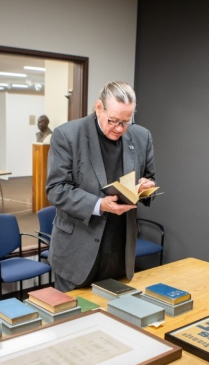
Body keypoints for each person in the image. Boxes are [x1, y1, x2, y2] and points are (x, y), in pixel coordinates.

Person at [46, 81, 156, 292]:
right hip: (77, 251)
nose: (119, 129)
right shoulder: (68, 135)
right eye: (113, 121)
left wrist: (146, 186)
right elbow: (56, 188)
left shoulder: (142, 137)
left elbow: (149, 176)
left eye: (126, 122)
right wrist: (99, 205)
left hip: (120, 248)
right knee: (72, 321)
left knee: (116, 317)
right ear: (99, 108)